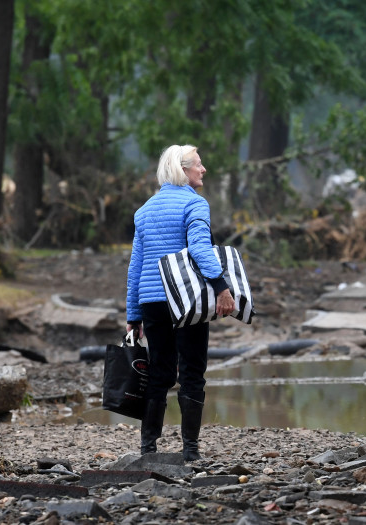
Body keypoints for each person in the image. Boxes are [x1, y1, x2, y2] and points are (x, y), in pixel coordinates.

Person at [126, 145, 234, 461]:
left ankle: (148, 449)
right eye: (199, 165)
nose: (204, 170)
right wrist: (221, 287)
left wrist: (133, 313)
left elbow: (136, 265)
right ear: (184, 170)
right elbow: (201, 250)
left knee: (159, 372)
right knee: (191, 372)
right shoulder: (194, 204)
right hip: (186, 301)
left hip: (152, 301)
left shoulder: (144, 211)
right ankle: (190, 451)